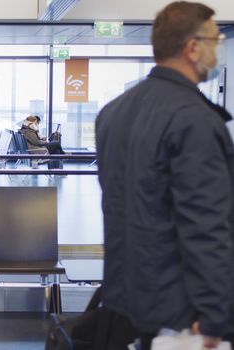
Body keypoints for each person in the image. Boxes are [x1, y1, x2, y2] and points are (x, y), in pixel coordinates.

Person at [95, 2, 233, 349]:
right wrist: (216, 313)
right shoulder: (194, 119)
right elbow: (206, 225)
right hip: (184, 314)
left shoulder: (113, 113)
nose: (217, 50)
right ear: (192, 47)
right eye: (215, 40)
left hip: (125, 300)